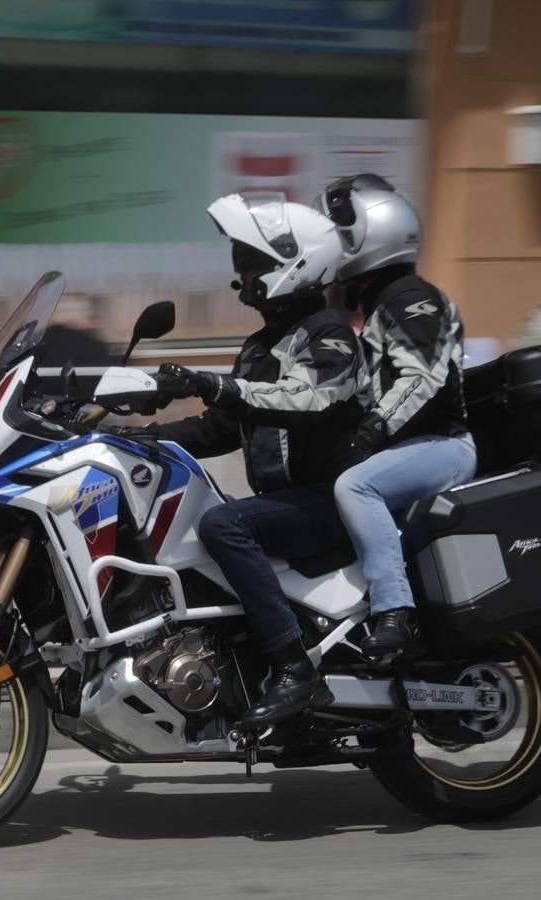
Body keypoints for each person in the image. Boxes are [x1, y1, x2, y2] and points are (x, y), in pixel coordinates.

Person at [115, 193, 368, 727]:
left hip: (332, 501)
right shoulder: (260, 347)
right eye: (242, 263)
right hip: (286, 503)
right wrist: (139, 438)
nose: (244, 275)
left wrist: (213, 384)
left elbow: (307, 401)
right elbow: (221, 427)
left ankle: (295, 668)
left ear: (295, 263)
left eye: (254, 263)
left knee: (223, 525)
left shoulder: (330, 336)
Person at [318, 174, 478, 659]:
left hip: (442, 447)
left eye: (338, 234)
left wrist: (370, 431)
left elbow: (421, 377)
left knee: (355, 486)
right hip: (415, 448)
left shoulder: (409, 297)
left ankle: (394, 612)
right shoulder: (384, 300)